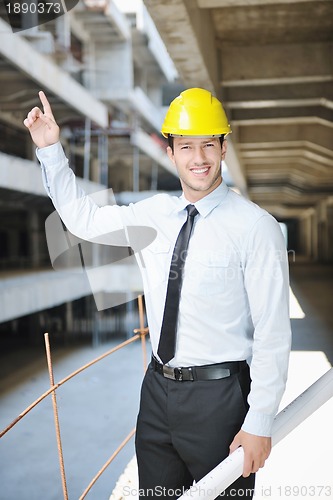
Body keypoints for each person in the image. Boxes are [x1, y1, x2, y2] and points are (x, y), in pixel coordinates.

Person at [24, 88, 291, 499]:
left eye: (208, 145)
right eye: (186, 146)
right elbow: (83, 220)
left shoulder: (256, 228)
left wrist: (260, 422)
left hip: (220, 398)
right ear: (171, 152)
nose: (198, 158)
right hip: (157, 392)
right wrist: (50, 150)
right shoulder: (154, 215)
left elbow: (274, 332)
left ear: (223, 146)